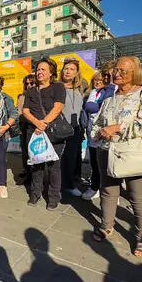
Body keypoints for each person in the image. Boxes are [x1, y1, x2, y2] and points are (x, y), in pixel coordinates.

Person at [91, 56, 142, 259]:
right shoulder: (109, 98)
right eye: (115, 70)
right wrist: (100, 131)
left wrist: (117, 128)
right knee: (108, 190)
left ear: (135, 73)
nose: (116, 74)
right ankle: (106, 225)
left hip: (135, 152)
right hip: (106, 150)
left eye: (122, 71)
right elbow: (97, 123)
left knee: (138, 197)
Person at [23, 58, 66, 211]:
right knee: (36, 165)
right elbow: (25, 111)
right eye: (38, 70)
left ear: (51, 73)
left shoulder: (58, 87)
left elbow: (58, 107)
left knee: (54, 167)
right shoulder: (30, 91)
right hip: (34, 132)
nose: (39, 72)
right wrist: (37, 123)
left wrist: (44, 123)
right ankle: (35, 194)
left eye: (43, 70)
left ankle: (53, 197)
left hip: (52, 132)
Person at [81, 71, 115, 200]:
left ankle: (108, 191)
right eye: (95, 80)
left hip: (107, 135)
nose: (98, 82)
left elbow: (105, 105)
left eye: (102, 79)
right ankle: (95, 187)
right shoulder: (94, 93)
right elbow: (90, 107)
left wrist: (110, 88)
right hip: (93, 135)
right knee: (95, 164)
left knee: (108, 165)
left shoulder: (112, 91)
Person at [60, 59, 85, 197]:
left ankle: (69, 185)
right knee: (58, 161)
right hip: (60, 130)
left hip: (75, 129)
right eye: (66, 68)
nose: (67, 71)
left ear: (76, 73)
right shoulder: (57, 88)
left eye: (71, 69)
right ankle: (56, 188)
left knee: (71, 159)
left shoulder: (79, 89)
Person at [17, 74, 36, 184]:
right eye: (27, 83)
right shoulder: (21, 97)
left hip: (36, 128)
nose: (29, 85)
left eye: (31, 83)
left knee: (34, 152)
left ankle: (35, 175)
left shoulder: (39, 96)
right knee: (25, 152)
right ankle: (27, 172)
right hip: (24, 127)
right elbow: (20, 112)